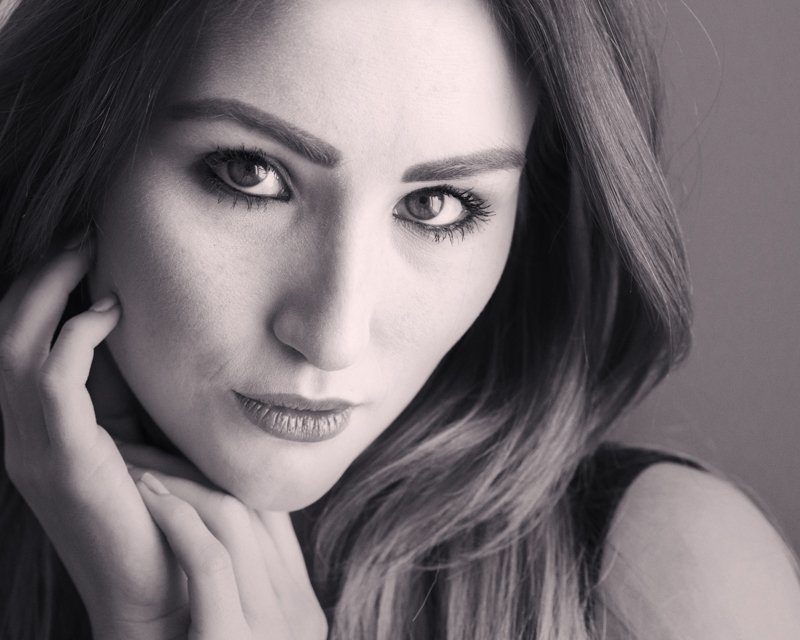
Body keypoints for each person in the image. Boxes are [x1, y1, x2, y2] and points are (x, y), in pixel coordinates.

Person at [0, 0, 798, 638]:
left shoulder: (667, 581)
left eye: (436, 206)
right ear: (82, 158)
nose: (332, 337)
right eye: (250, 173)